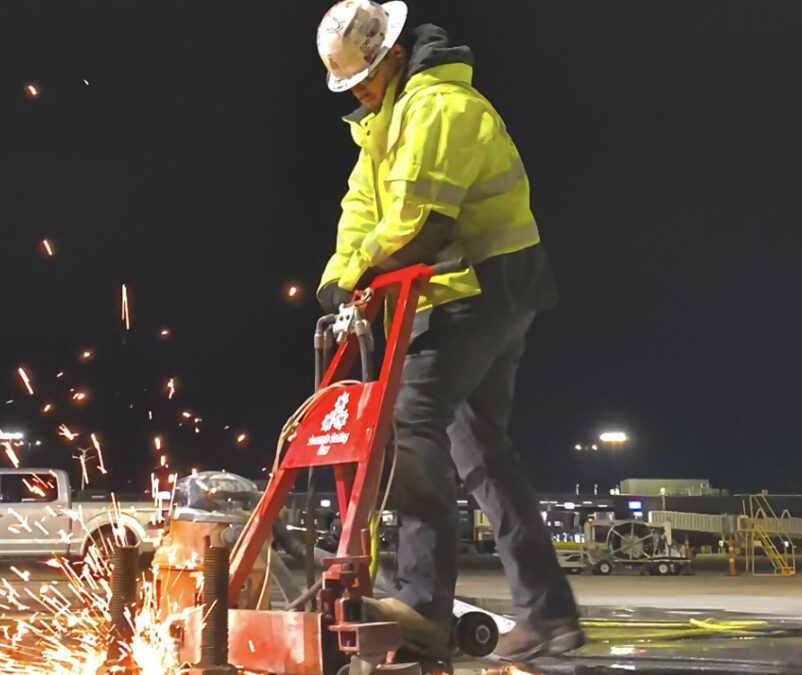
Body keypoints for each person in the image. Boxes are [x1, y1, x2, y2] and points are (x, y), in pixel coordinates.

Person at [314, 0, 584, 663]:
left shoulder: (437, 108)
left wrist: (363, 275)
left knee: (408, 417)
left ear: (395, 58)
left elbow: (419, 226)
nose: (358, 95)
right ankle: (550, 615)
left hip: (482, 284)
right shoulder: (384, 125)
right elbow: (362, 209)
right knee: (482, 448)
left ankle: (423, 605)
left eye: (363, 81)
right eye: (349, 87)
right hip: (477, 288)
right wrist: (338, 275)